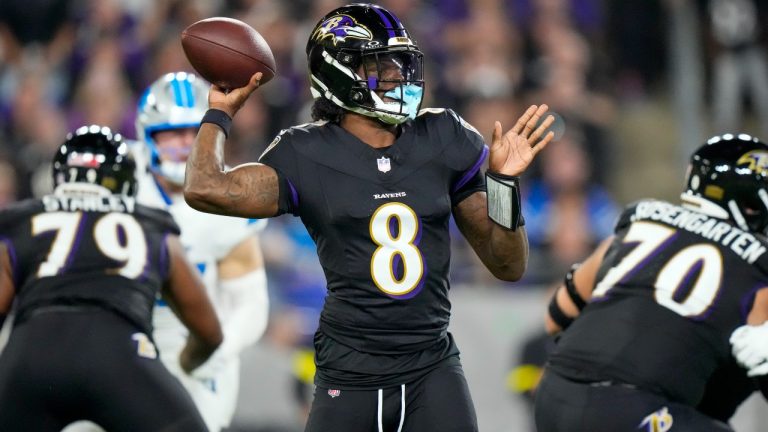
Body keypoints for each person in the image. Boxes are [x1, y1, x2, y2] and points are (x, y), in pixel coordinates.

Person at [183, 3, 555, 431]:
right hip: (350, 370)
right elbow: (204, 187)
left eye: (399, 61)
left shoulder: (445, 136)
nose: (398, 73)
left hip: (430, 366)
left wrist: (503, 185)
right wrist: (220, 113)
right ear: (338, 73)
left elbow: (509, 264)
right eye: (379, 64)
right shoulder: (305, 153)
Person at [535, 133, 768, 432]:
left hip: (555, 395)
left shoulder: (635, 227)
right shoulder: (756, 272)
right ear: (750, 202)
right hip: (634, 412)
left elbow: (555, 318)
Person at [0, 125, 222, 432]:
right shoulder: (149, 224)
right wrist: (185, 364)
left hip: (34, 351)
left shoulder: (23, 219)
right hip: (118, 351)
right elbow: (210, 332)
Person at [133, 71, 270, 432]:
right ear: (146, 136)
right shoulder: (122, 183)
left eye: (194, 133)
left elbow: (250, 303)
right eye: (171, 134)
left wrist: (217, 351)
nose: (184, 144)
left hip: (191, 339)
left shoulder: (227, 198)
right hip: (126, 334)